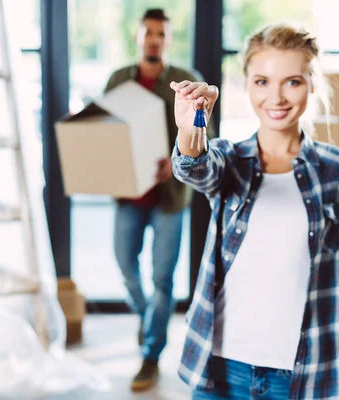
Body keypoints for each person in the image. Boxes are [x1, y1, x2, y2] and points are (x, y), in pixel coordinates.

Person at [170, 23, 339, 399]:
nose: (277, 97)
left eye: (293, 82)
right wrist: (191, 127)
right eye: (262, 81)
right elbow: (195, 167)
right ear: (247, 85)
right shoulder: (231, 159)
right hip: (222, 366)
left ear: (312, 85)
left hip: (302, 375)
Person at [104, 8, 211, 392]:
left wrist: (177, 157)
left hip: (169, 196)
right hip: (129, 192)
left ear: (169, 39)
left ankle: (151, 355)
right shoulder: (119, 80)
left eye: (161, 34)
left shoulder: (186, 80)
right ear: (138, 37)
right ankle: (149, 317)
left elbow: (204, 135)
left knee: (162, 278)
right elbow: (108, 128)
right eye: (148, 32)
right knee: (125, 263)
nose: (154, 39)